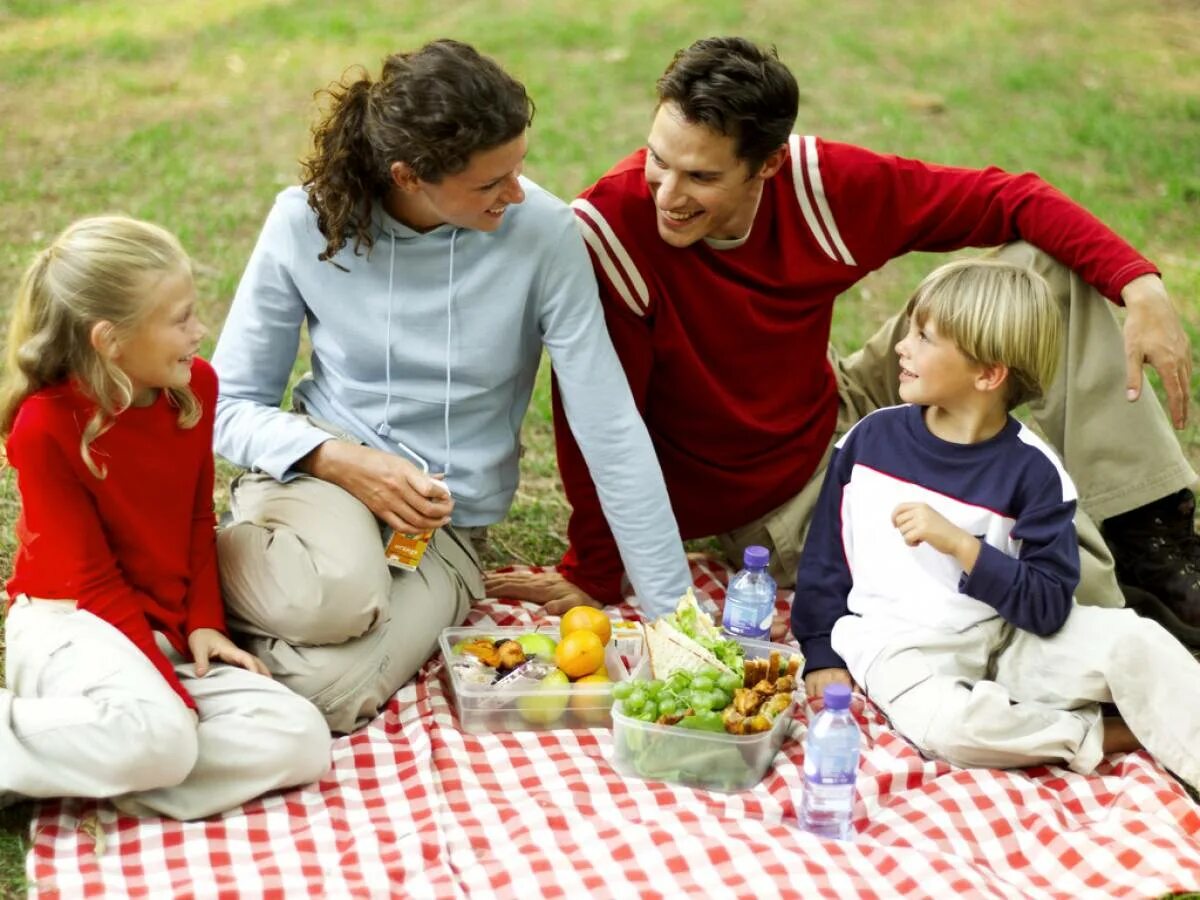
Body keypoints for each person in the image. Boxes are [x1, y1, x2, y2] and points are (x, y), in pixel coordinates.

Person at [491, 35, 1200, 648]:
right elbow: (598, 420)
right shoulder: (614, 231)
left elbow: (1007, 197)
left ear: (765, 165)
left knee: (1047, 270)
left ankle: (1152, 535)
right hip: (778, 498)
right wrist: (594, 568)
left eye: (701, 176)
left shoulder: (818, 187)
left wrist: (1139, 285)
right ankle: (1109, 615)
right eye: (658, 160)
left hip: (839, 399)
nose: (666, 192)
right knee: (983, 548)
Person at [211, 39, 690, 733]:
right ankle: (193, 574)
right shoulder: (306, 222)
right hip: (322, 481)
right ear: (409, 176)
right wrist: (337, 458)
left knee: (331, 695)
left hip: (443, 529)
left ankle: (228, 629)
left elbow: (609, 425)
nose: (516, 192)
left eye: (518, 167)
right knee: (338, 596)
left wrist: (675, 618)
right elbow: (227, 405)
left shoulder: (545, 236)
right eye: (491, 182)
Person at [790, 258, 1199, 789]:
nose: (901, 346)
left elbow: (1050, 607)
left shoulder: (1034, 472)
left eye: (924, 337)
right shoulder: (870, 443)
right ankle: (1100, 733)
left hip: (1011, 638)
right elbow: (825, 560)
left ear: (988, 374)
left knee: (1135, 641)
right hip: (898, 649)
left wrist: (966, 548)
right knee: (953, 728)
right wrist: (820, 651)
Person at [0, 216, 330, 819]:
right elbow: (92, 581)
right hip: (73, 622)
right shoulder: (46, 427)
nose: (199, 332)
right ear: (110, 340)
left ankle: (94, 759)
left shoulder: (194, 388)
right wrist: (170, 695)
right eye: (180, 319)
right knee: (164, 732)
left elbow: (196, 521)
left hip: (163, 627)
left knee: (301, 737)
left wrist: (204, 621)